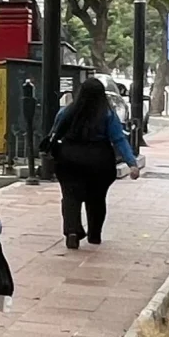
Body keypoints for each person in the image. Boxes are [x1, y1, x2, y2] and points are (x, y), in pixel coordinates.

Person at [49, 77, 140, 249]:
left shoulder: (67, 112)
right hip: (99, 159)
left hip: (69, 158)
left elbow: (55, 132)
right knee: (97, 198)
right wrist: (131, 163)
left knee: (70, 197)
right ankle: (94, 234)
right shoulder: (107, 114)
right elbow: (119, 138)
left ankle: (72, 230)